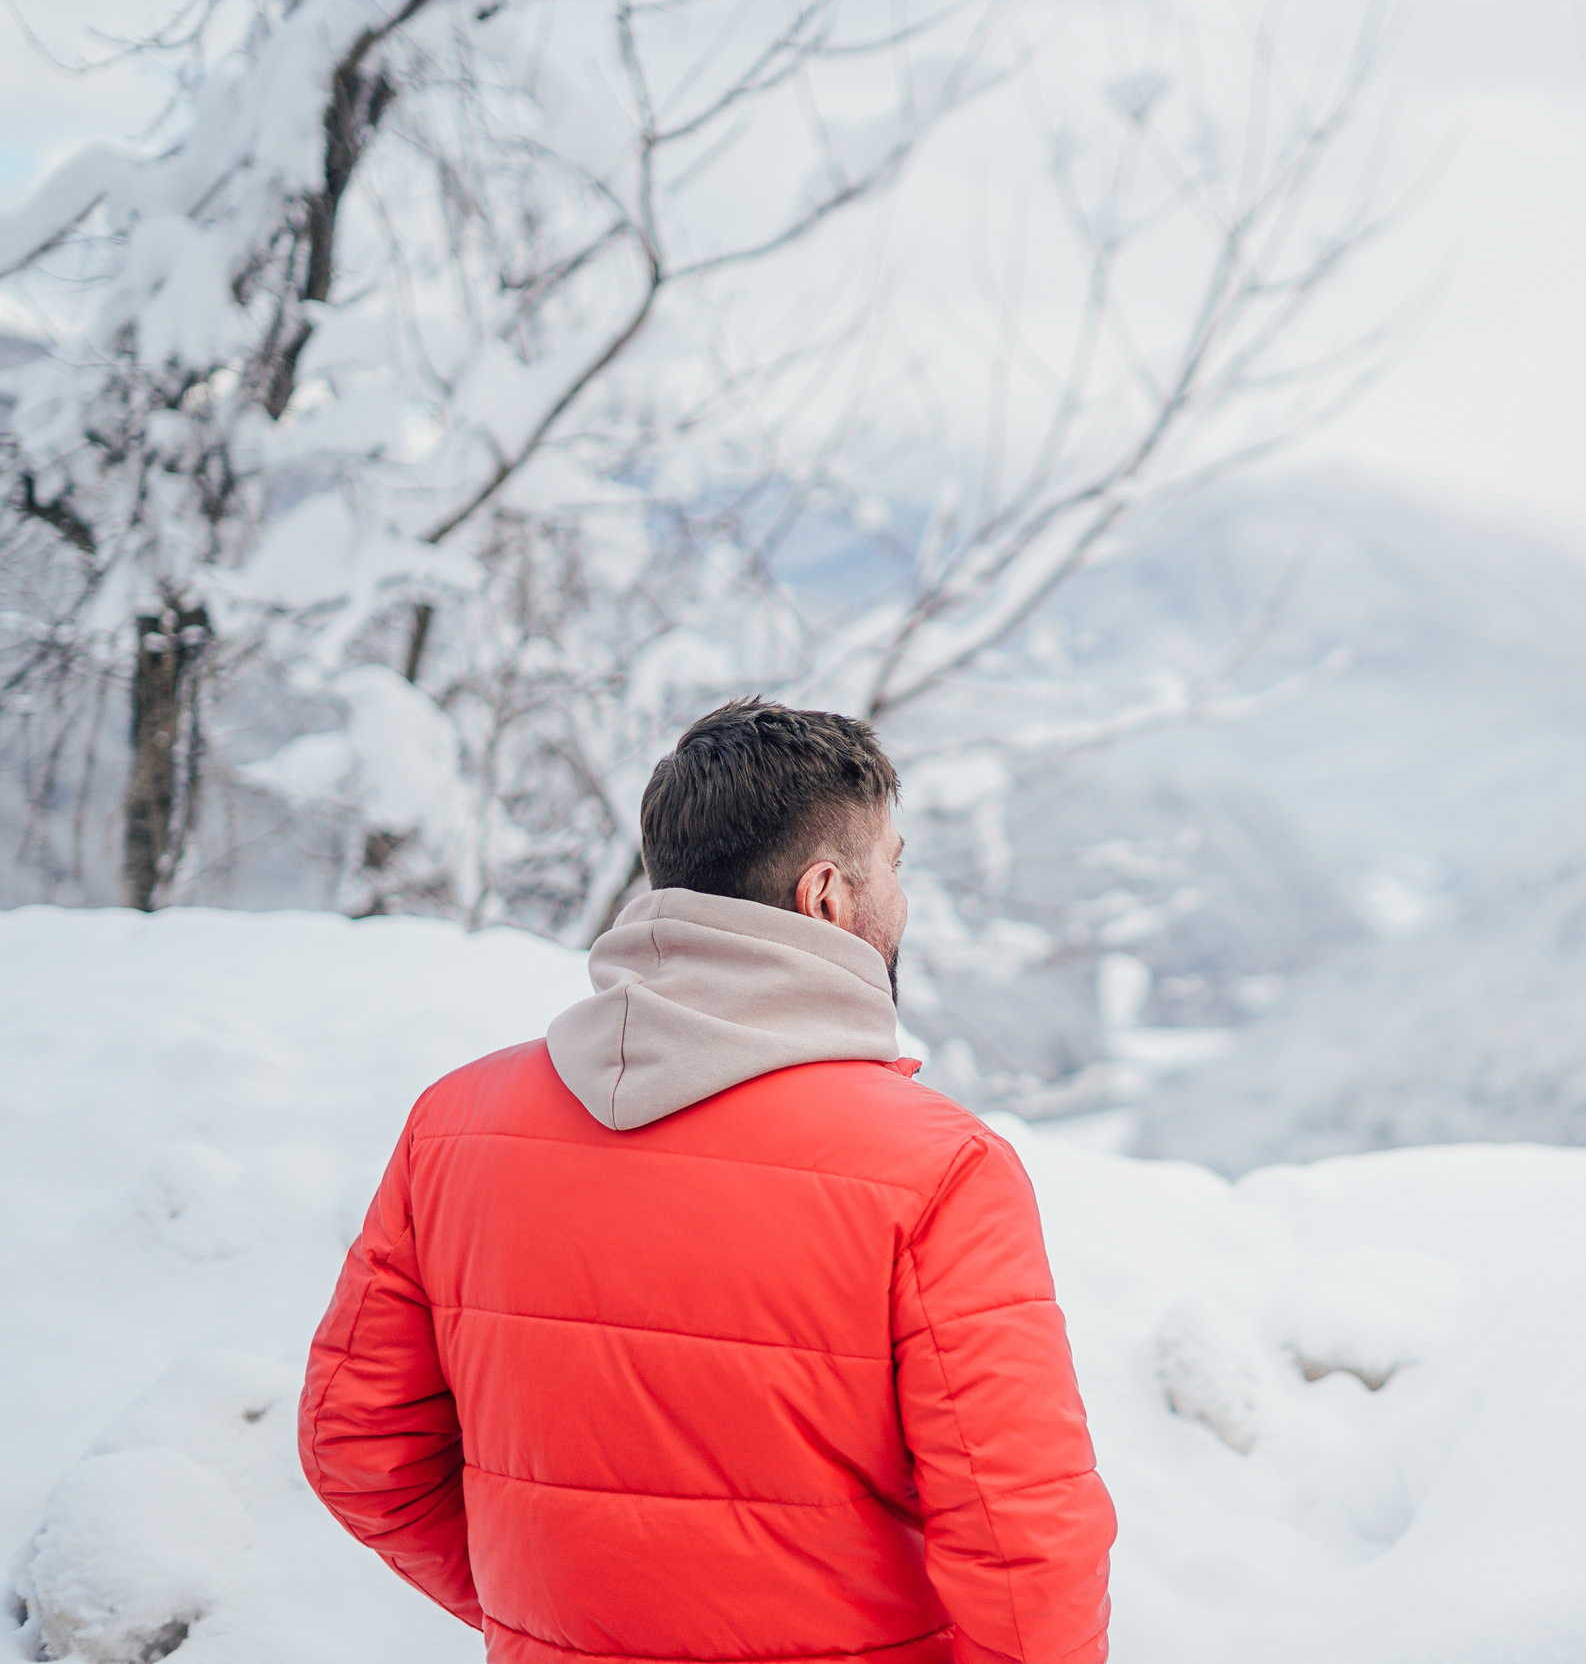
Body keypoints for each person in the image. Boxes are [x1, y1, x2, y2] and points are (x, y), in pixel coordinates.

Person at [298, 699, 1114, 1664]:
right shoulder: (938, 1169)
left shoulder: (454, 1125)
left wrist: (547, 1614)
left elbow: (357, 1446)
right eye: (893, 866)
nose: (902, 897)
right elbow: (1024, 1545)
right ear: (826, 896)